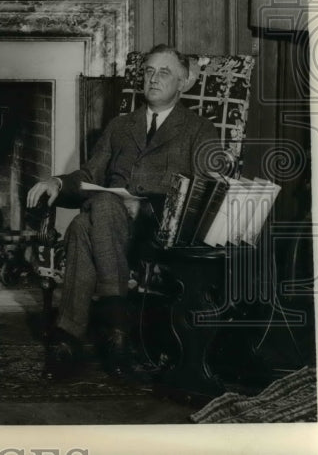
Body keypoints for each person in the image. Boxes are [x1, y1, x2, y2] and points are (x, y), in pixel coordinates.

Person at [26, 44, 222, 379]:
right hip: (110, 222)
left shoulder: (199, 130)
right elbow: (89, 176)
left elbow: (204, 194)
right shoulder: (120, 126)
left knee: (82, 226)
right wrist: (57, 182)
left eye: (164, 72)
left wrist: (147, 204)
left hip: (157, 230)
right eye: (148, 71)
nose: (153, 78)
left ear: (183, 83)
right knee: (97, 212)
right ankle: (117, 334)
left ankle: (68, 339)